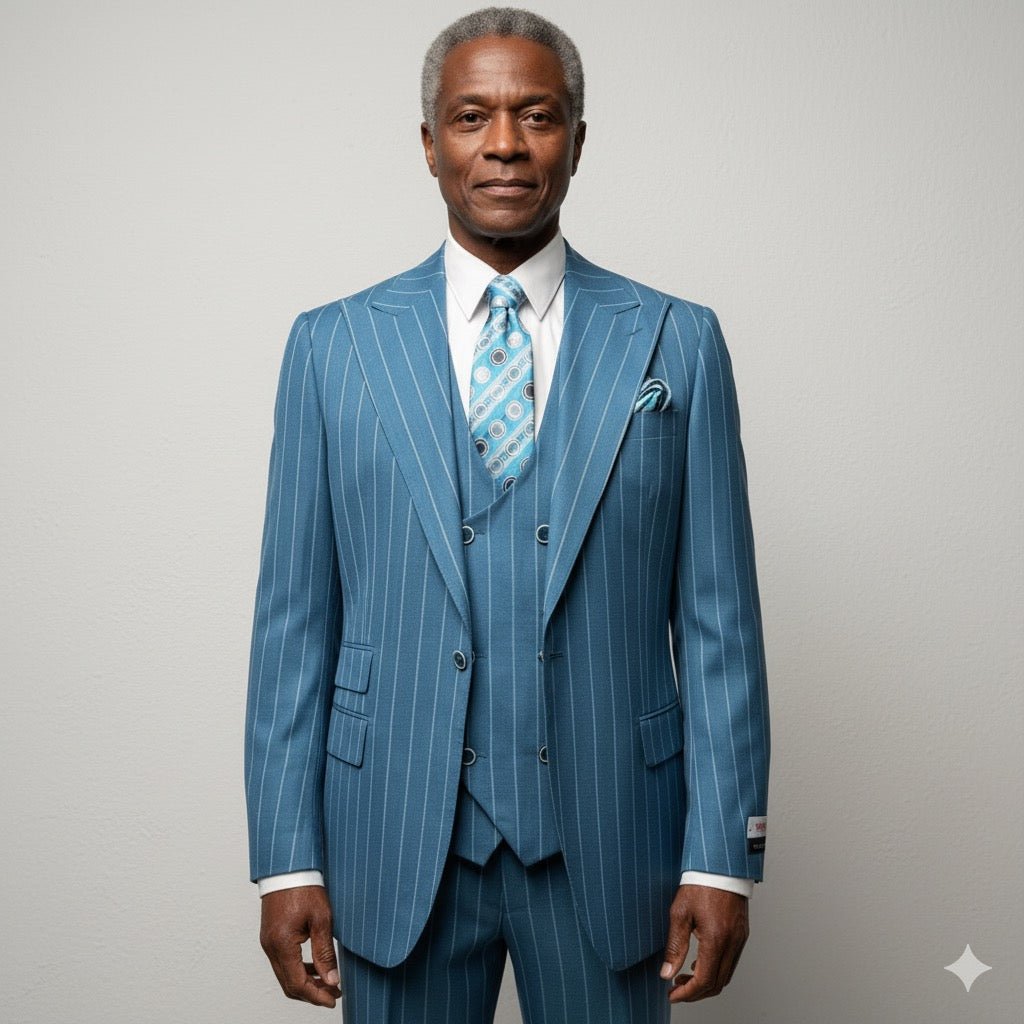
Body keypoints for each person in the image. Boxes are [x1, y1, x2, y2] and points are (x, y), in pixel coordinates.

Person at [244, 7, 769, 1022]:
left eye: (536, 115)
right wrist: (284, 857)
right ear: (429, 143)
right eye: (471, 116)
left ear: (577, 139)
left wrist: (722, 856)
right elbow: (292, 624)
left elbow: (719, 625)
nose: (504, 144)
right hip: (394, 837)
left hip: (613, 841)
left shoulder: (679, 341)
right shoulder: (331, 347)